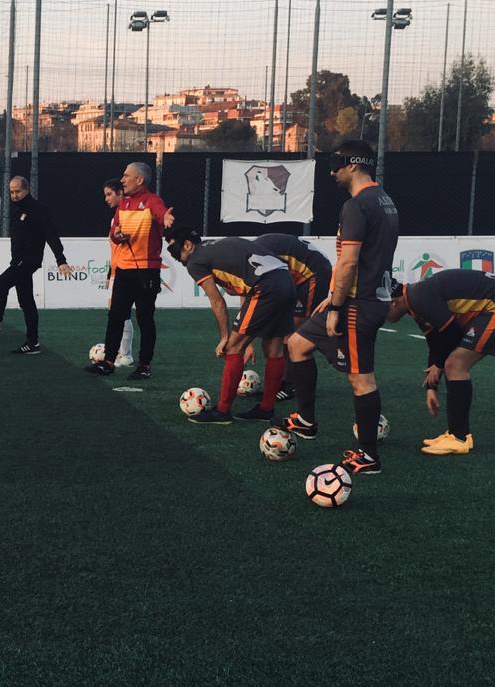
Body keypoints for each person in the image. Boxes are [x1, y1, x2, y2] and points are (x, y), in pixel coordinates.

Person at [271, 140, 399, 475]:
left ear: (353, 164)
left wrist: (336, 307)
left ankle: (368, 456)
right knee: (297, 344)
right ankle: (306, 420)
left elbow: (349, 263)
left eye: (336, 164)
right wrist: (331, 296)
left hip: (358, 303)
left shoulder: (358, 205)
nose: (332, 172)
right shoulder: (385, 201)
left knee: (361, 380)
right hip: (359, 297)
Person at [164, 227, 296, 424]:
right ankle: (266, 408)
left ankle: (223, 411)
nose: (176, 258)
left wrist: (225, 337)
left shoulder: (195, 261)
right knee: (273, 348)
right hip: (286, 281)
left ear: (188, 245)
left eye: (175, 252)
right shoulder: (213, 245)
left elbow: (216, 300)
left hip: (266, 286)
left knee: (233, 347)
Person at [386, 270, 495, 455]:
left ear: (394, 302)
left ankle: (459, 437)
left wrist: (438, 364)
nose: (382, 316)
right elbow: (436, 343)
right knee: (452, 362)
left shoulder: (418, 298)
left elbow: (452, 335)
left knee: (455, 364)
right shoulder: (414, 300)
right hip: (487, 307)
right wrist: (431, 387)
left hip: (491, 308)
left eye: (382, 308)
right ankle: (456, 434)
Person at [85, 162, 172, 379]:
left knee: (145, 318)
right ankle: (108, 362)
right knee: (115, 316)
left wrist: (166, 218)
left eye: (126, 176)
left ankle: (144, 366)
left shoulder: (153, 201)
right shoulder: (122, 204)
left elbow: (162, 215)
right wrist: (118, 236)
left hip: (146, 270)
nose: (122, 180)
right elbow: (115, 232)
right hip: (124, 270)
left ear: (139, 180)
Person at [0, 176, 70, 354]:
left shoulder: (38, 209)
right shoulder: (17, 210)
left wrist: (61, 259)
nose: (15, 195)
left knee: (0, 283)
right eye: (11, 192)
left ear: (27, 190)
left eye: (18, 191)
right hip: (18, 261)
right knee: (26, 302)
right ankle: (33, 343)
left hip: (28, 261)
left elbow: (51, 234)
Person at [251, 233, 333, 400]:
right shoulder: (251, 255)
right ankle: (283, 382)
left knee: (293, 333)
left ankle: (290, 385)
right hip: (301, 273)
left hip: (313, 273)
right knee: (284, 330)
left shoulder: (254, 259)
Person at [101, 179, 135, 367]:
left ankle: (126, 355)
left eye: (109, 194)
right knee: (116, 312)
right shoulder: (116, 216)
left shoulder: (127, 215)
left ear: (120, 193)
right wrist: (109, 274)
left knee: (120, 313)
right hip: (117, 270)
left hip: (126, 270)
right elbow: (115, 250)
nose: (106, 198)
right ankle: (122, 354)